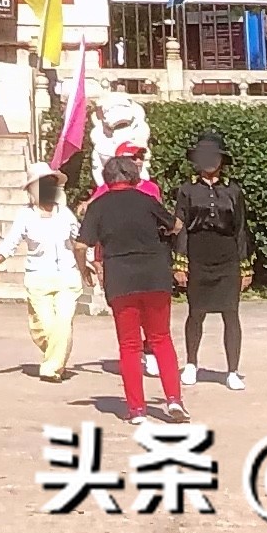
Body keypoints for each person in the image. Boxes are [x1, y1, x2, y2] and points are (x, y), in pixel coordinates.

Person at [74, 140, 185, 421]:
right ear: (133, 177)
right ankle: (173, 401)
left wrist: (84, 270)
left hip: (121, 278)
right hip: (155, 274)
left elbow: (79, 246)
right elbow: (175, 225)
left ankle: (136, 409)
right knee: (161, 339)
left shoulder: (98, 206)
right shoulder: (147, 200)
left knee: (129, 344)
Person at [0, 166, 84, 381]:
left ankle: (51, 369)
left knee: (63, 323)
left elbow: (81, 239)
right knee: (44, 328)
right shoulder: (25, 216)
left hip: (67, 275)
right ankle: (57, 357)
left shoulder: (65, 214)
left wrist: (92, 262)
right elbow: (10, 242)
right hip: (39, 277)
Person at [175, 129, 255, 389]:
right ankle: (191, 364)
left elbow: (241, 228)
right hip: (199, 254)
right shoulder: (187, 190)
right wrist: (180, 262)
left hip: (227, 256)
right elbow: (182, 227)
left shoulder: (233, 191)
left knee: (231, 314)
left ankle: (232, 370)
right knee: (196, 312)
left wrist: (245, 266)